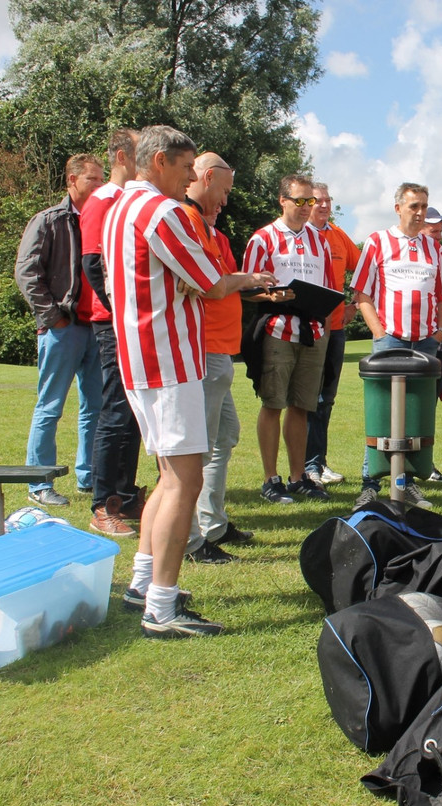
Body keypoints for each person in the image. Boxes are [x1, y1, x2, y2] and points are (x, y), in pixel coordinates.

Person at [104, 125, 277, 637]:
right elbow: (210, 281)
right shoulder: (163, 212)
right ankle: (163, 605)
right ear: (158, 163)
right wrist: (249, 279)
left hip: (141, 359)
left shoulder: (118, 209)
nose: (189, 182)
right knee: (186, 479)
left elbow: (183, 279)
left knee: (168, 476)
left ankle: (142, 582)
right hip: (170, 360)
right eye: (184, 170)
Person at [352, 183, 442, 510]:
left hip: (425, 341)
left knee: (415, 414)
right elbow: (362, 295)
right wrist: (380, 333)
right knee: (382, 413)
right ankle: (370, 483)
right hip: (391, 340)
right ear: (398, 208)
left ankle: (406, 481)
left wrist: (439, 333)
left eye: (424, 206)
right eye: (414, 206)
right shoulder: (377, 242)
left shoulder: (434, 249)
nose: (420, 212)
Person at [15, 153, 106, 507]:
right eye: (92, 180)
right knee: (50, 406)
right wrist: (53, 317)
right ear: (71, 181)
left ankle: (90, 477)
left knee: (95, 408)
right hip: (63, 329)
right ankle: (39, 483)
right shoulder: (48, 221)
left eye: (102, 180)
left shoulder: (102, 220)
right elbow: (27, 274)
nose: (99, 186)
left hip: (96, 327)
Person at [242, 174, 335, 504]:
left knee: (302, 407)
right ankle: (271, 479)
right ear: (282, 200)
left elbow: (327, 286)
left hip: (313, 332)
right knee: (273, 404)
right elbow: (248, 289)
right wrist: (271, 297)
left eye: (311, 201)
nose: (306, 207)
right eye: (300, 201)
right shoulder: (263, 239)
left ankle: (299, 477)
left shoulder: (320, 241)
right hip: (278, 330)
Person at [181, 152, 254, 565]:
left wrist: (251, 288)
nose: (226, 201)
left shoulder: (207, 227)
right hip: (203, 350)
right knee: (198, 448)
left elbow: (222, 282)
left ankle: (213, 523)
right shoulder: (186, 221)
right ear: (206, 178)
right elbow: (211, 286)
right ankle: (191, 540)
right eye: (224, 191)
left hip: (220, 352)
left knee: (224, 437)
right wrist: (247, 280)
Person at [80, 129, 147, 537]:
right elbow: (92, 264)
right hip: (112, 321)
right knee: (115, 410)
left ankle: (126, 495)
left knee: (135, 411)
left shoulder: (131, 200)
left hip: (135, 320)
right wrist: (121, 307)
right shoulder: (101, 201)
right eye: (142, 152)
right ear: (122, 156)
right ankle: (103, 504)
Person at [304, 182, 360, 488]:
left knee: (326, 399)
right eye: (317, 201)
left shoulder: (339, 236)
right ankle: (306, 466)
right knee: (306, 399)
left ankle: (317, 463)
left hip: (336, 329)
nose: (324, 205)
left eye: (328, 200)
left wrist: (354, 304)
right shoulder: (301, 236)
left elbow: (366, 267)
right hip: (307, 330)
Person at [421, 205, 442, 483]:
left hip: (435, 344)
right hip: (409, 341)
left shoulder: (439, 253)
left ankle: (423, 464)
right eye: (433, 227)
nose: (437, 231)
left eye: (440, 228)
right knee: (397, 405)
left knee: (426, 407)